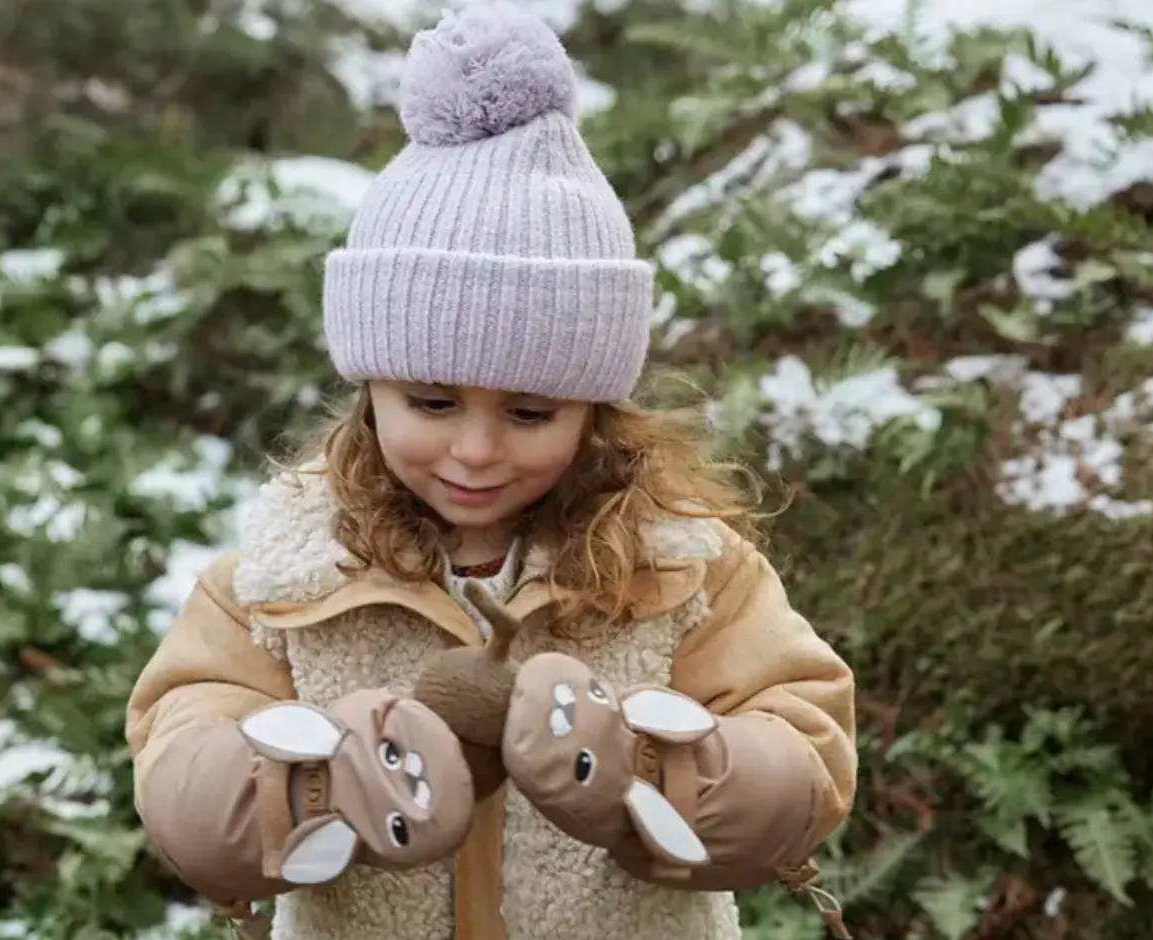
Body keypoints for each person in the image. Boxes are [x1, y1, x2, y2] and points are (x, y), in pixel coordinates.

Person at [122, 3, 857, 938]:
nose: (475, 450)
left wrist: (642, 766)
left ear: (594, 408)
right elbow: (182, 772)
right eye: (432, 404)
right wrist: (322, 782)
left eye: (529, 413)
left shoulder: (682, 567)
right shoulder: (286, 576)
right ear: (370, 389)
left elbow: (805, 752)